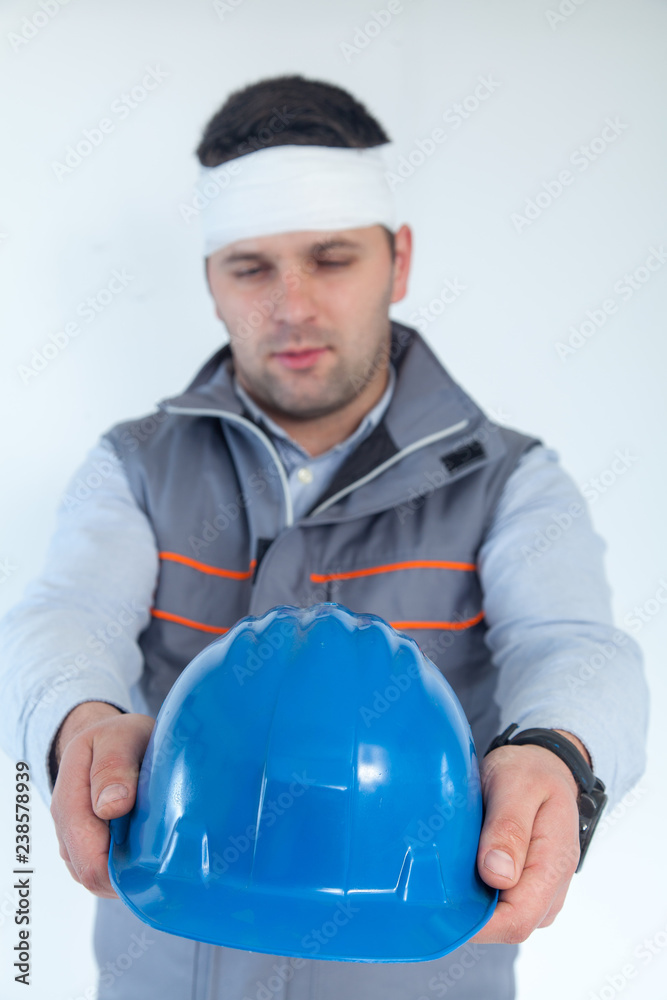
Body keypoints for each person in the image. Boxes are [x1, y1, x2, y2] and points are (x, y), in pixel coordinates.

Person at [0, 73, 648, 1000]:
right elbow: (65, 613)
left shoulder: (511, 480)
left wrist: (558, 752)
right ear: (210, 280)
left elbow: (574, 645)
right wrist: (78, 721)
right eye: (250, 267)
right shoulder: (134, 465)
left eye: (332, 258)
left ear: (399, 259)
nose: (291, 306)